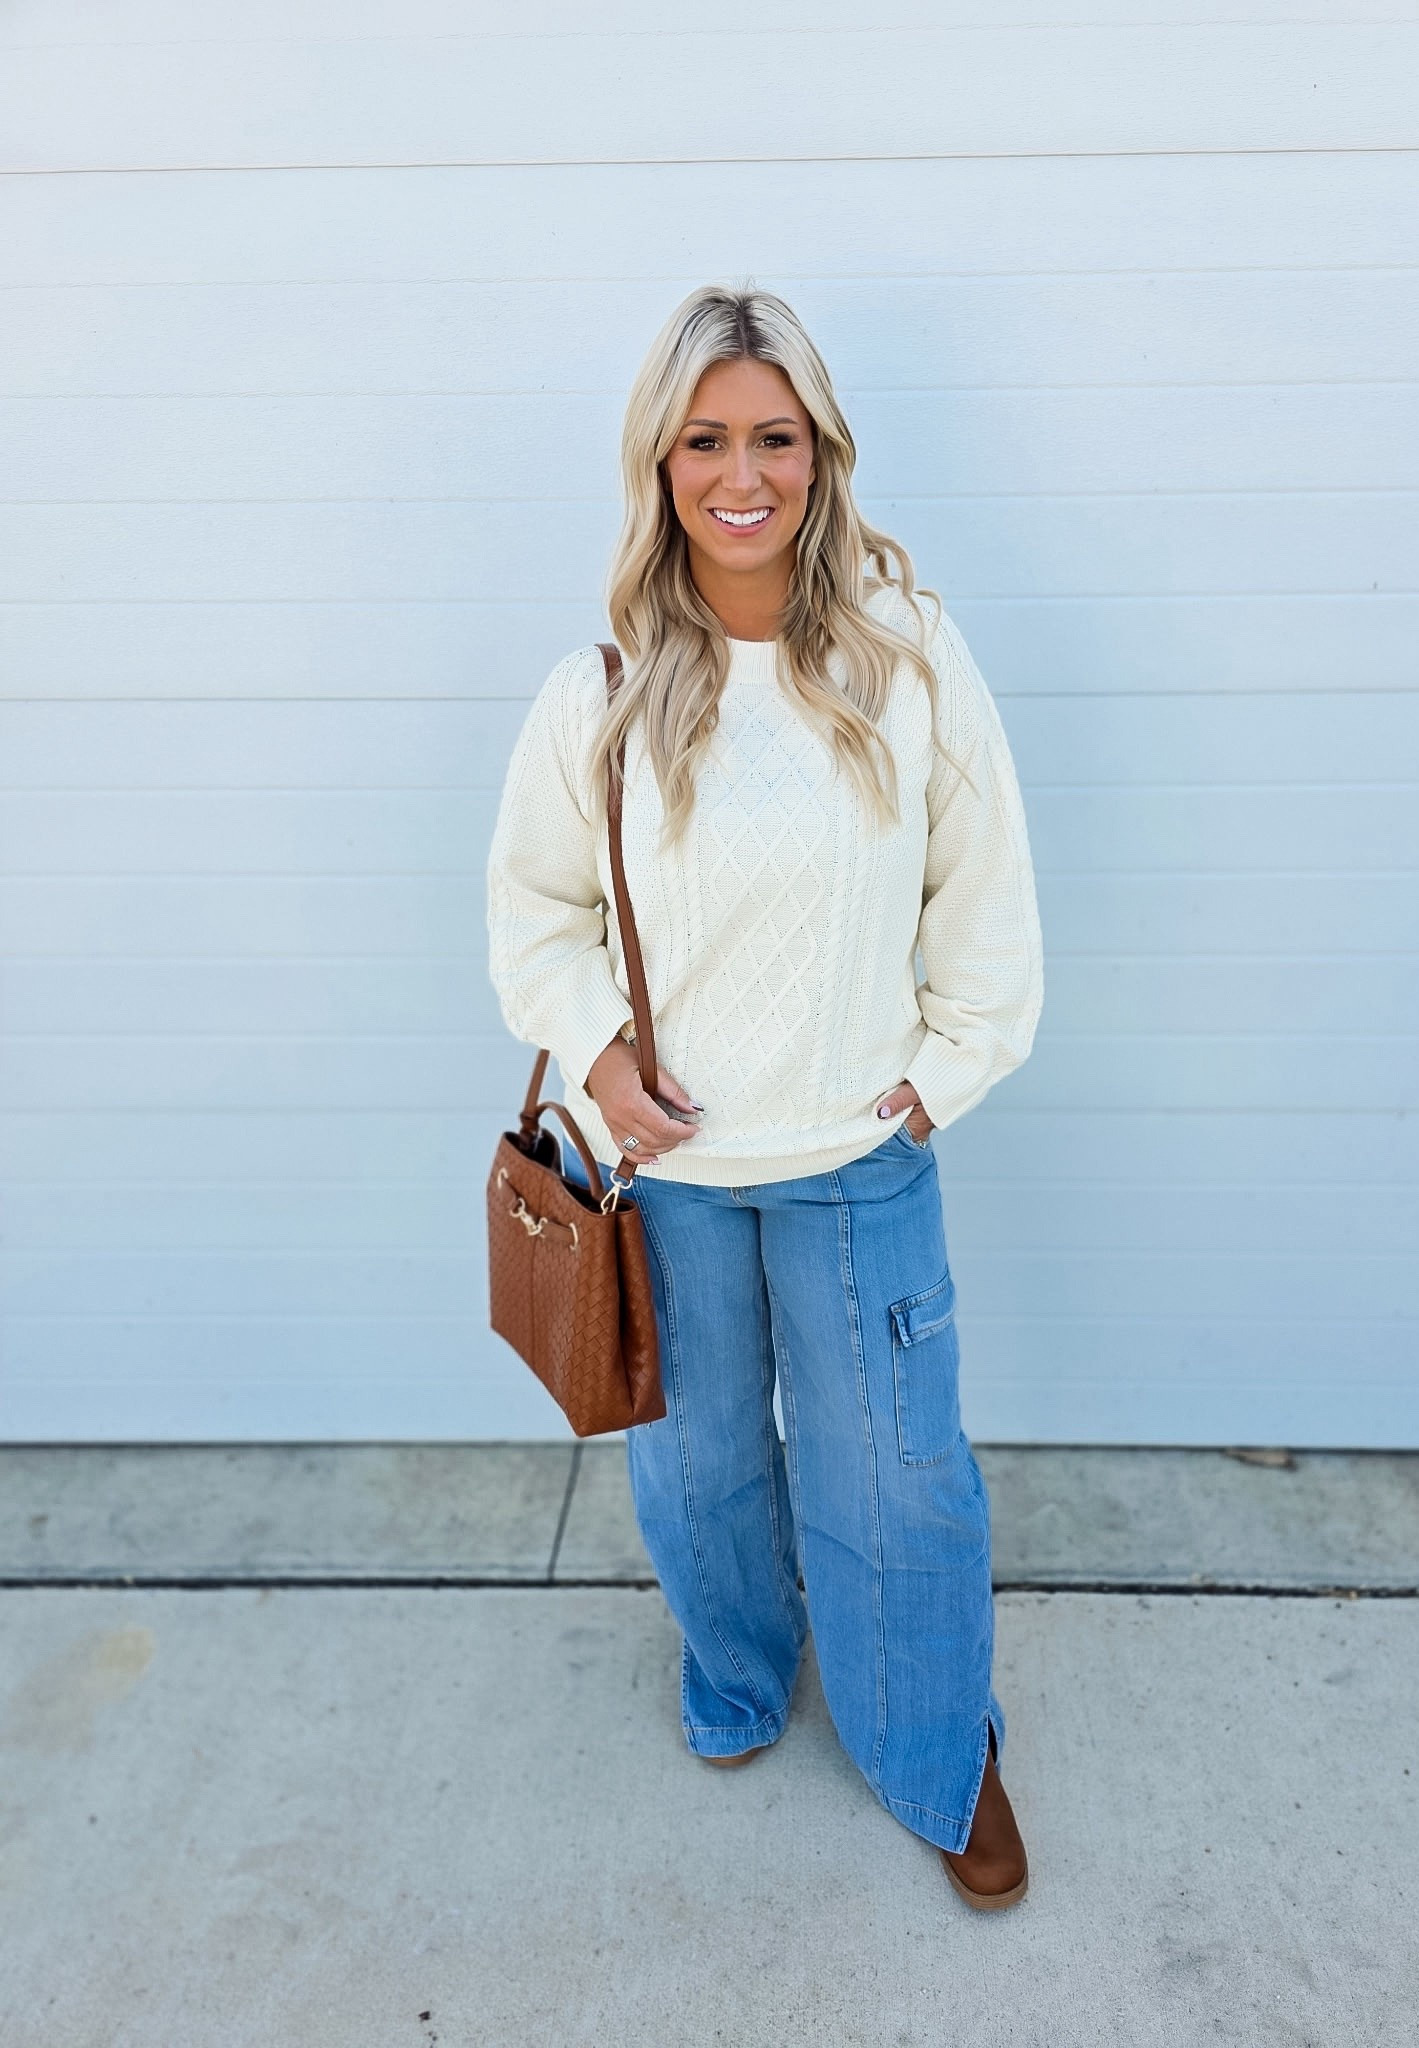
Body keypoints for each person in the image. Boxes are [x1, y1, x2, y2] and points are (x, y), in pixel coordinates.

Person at [487, 284, 1043, 1909]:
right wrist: (600, 1057)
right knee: (701, 1466)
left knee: (900, 1478)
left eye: (775, 438)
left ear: (822, 454)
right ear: (661, 466)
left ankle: (933, 1746)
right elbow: (535, 918)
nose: (744, 475)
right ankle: (737, 1670)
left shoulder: (905, 654)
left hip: (858, 1159)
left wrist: (942, 1076)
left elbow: (985, 889)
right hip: (666, 1175)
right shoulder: (600, 691)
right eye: (706, 441)